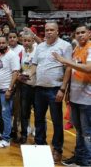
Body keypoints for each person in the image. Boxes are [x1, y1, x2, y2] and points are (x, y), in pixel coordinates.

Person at [29, 21, 72, 163]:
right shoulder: (40, 46)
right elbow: (35, 64)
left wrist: (63, 89)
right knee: (39, 119)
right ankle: (40, 145)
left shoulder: (65, 46)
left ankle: (57, 148)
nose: (49, 32)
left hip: (55, 89)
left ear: (57, 31)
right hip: (39, 89)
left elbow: (68, 68)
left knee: (57, 121)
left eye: (52, 30)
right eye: (47, 30)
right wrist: (29, 74)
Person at [52, 24, 91, 166]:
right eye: (78, 33)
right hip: (75, 97)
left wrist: (65, 60)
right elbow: (72, 71)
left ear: (89, 33)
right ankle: (79, 157)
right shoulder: (77, 49)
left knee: (87, 133)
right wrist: (67, 90)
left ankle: (87, 161)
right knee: (79, 131)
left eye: (83, 32)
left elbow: (88, 68)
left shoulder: (90, 48)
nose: (80, 35)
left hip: (87, 99)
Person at [0, 36, 20, 148]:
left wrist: (10, 89)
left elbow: (15, 73)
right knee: (1, 114)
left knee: (6, 115)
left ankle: (6, 139)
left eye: (3, 43)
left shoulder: (12, 55)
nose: (1, 45)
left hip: (5, 90)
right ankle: (2, 133)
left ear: (7, 43)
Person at [18, 32, 37, 144]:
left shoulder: (37, 50)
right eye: (24, 40)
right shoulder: (22, 52)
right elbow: (22, 68)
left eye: (29, 40)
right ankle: (24, 134)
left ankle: (39, 136)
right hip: (25, 86)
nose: (26, 43)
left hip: (37, 86)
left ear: (33, 41)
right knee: (24, 112)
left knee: (39, 112)